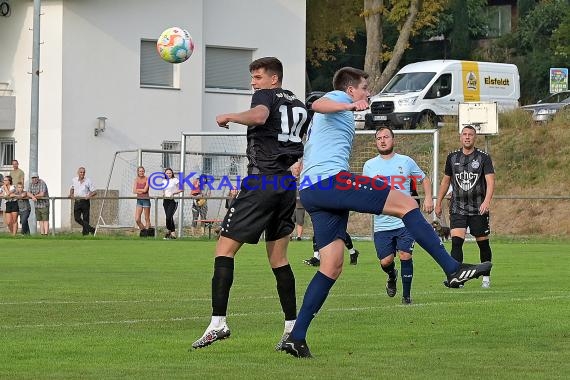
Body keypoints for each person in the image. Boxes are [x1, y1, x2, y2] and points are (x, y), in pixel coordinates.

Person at [279, 67, 491, 358]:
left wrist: (352, 108)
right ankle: (453, 269)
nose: (368, 92)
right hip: (329, 181)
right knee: (406, 204)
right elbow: (317, 104)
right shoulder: (339, 97)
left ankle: (297, 336)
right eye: (364, 87)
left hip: (313, 192)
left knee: (332, 265)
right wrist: (349, 103)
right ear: (350, 88)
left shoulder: (338, 113)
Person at [191, 57, 311, 350]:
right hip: (284, 184)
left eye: (257, 77)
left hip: (262, 183)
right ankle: (291, 330)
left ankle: (218, 324)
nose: (253, 83)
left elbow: (258, 116)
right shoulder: (297, 104)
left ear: (274, 79)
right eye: (253, 78)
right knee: (279, 259)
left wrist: (229, 116)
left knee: (224, 250)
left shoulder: (265, 97)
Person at [362, 126, 434, 305]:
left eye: (386, 137)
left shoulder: (406, 161)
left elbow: (424, 179)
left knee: (405, 255)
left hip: (405, 220)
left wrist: (427, 198)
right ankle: (391, 275)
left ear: (393, 140)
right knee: (386, 261)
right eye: (379, 138)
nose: (383, 140)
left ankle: (406, 297)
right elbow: (364, 190)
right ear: (376, 142)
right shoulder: (369, 165)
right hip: (382, 223)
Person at [435, 125, 495, 288]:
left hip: (478, 208)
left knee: (482, 243)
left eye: (470, 135)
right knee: (456, 242)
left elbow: (490, 181)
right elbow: (446, 181)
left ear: (475, 138)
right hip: (458, 207)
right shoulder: (452, 157)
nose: (467, 137)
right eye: (464, 134)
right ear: (460, 137)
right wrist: (438, 202)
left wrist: (486, 201)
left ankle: (486, 277)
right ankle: (456, 278)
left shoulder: (483, 157)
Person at [69, 167, 97, 236]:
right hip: (77, 201)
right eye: (81, 172)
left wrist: (89, 196)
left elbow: (94, 192)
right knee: (77, 218)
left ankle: (85, 234)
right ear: (78, 173)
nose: (82, 173)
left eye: (83, 172)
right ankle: (92, 229)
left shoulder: (88, 181)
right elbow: (72, 188)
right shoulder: (74, 180)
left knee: (86, 218)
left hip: (85, 201)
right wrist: (71, 194)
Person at [162, 168, 182, 239]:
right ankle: (173, 234)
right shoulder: (164, 181)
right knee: (169, 217)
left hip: (173, 201)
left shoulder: (175, 180)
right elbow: (164, 190)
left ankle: (168, 231)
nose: (168, 174)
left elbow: (181, 189)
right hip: (165, 201)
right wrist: (164, 195)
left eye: (170, 173)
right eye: (167, 173)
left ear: (172, 173)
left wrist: (173, 193)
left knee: (168, 217)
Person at [133, 166, 151, 235]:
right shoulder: (136, 179)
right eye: (140, 171)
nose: (141, 172)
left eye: (142, 171)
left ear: (144, 171)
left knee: (147, 218)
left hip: (146, 200)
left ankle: (147, 233)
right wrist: (141, 191)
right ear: (138, 172)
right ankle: (143, 231)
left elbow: (145, 190)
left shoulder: (147, 179)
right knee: (137, 219)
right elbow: (134, 191)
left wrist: (139, 190)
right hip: (139, 200)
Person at [290, 161, 305, 241]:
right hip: (291, 204)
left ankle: (299, 237)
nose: (297, 170)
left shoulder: (304, 179)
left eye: (298, 168)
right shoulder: (288, 179)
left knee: (300, 221)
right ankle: (290, 236)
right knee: (290, 221)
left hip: (300, 205)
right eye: (295, 168)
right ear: (292, 169)